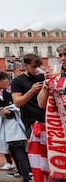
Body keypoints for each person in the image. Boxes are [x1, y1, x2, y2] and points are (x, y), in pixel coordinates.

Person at [0, 71, 30, 182]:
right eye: (4, 79)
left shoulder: (13, 94)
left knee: (19, 153)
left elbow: (20, 108)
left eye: (7, 78)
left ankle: (25, 176)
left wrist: (11, 113)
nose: (7, 80)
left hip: (12, 129)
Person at [11, 53, 45, 181]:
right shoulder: (18, 81)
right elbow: (17, 102)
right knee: (36, 155)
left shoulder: (42, 77)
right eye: (33, 66)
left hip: (48, 121)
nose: (36, 69)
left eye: (38, 66)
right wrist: (31, 91)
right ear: (25, 65)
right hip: (31, 123)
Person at [37, 44, 66, 181]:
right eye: (60, 55)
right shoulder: (55, 78)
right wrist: (46, 83)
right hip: (59, 134)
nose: (63, 58)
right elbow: (41, 103)